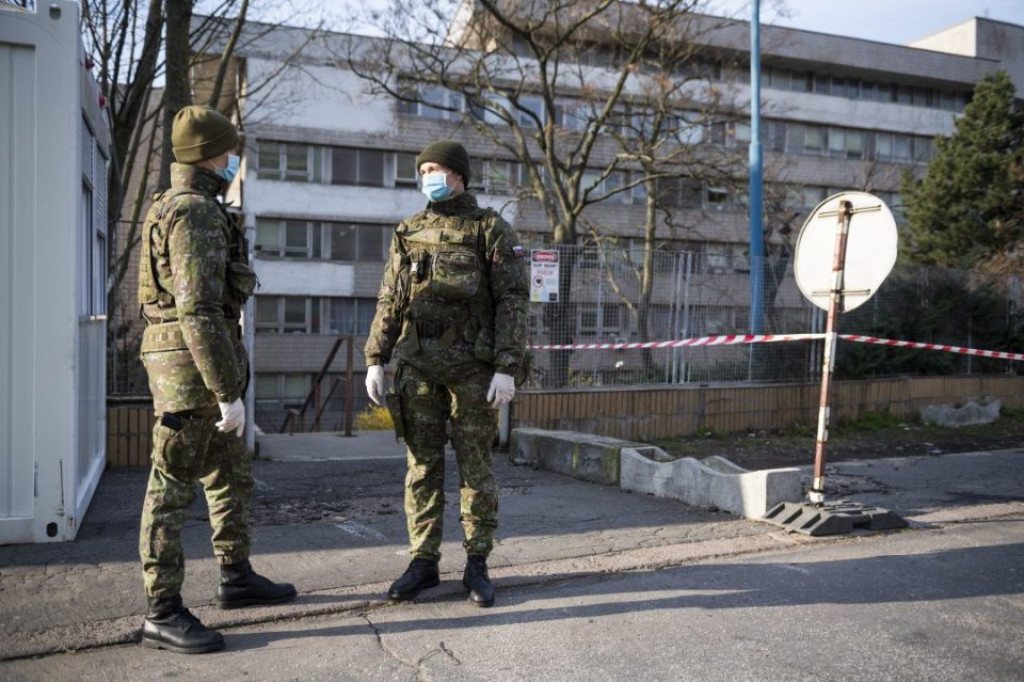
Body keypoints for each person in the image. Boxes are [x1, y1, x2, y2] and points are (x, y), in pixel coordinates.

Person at [136, 105, 296, 654]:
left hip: (197, 361)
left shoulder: (178, 205)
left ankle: (236, 575)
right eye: (229, 150)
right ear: (208, 154)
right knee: (172, 486)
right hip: (191, 370)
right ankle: (161, 610)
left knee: (228, 473)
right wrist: (227, 391)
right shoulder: (196, 212)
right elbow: (199, 308)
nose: (235, 159)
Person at [364, 140, 529, 608]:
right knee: (422, 468)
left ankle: (477, 564)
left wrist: (506, 366)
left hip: (473, 372)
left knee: (476, 469)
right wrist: (375, 357)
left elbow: (514, 301)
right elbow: (390, 298)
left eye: (435, 169)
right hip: (418, 370)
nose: (427, 177)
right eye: (423, 170)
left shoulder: (490, 230)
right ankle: (423, 562)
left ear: (458, 174)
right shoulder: (409, 230)